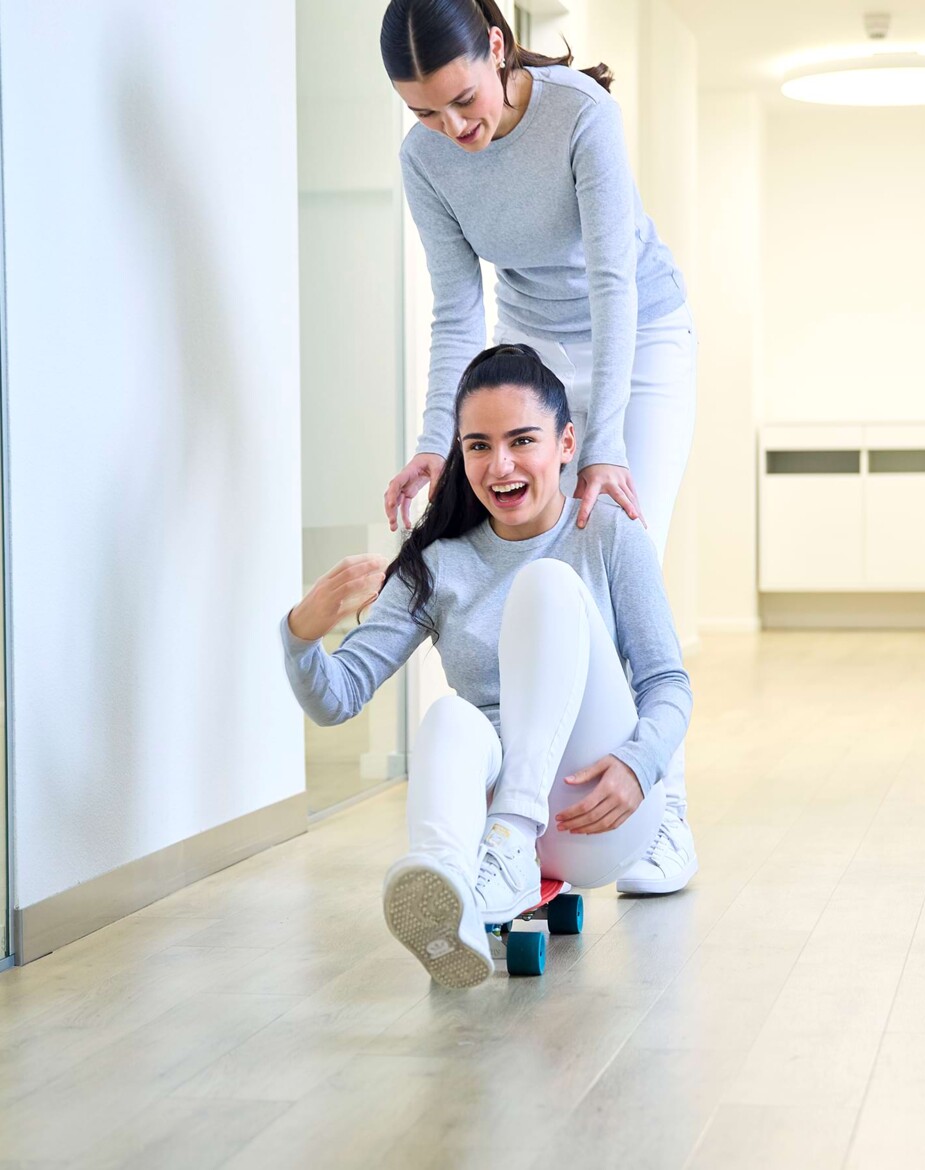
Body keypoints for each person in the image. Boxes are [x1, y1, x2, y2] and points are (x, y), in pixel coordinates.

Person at [378, 0, 698, 894]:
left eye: (463, 100)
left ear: (496, 46)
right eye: (424, 113)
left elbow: (611, 281)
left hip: (642, 337)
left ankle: (665, 813)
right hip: (536, 350)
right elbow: (456, 309)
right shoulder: (424, 160)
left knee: (625, 555)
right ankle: (532, 823)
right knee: (542, 577)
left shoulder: (579, 115)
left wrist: (604, 447)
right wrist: (435, 443)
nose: (454, 128)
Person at [281, 345, 692, 988]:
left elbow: (667, 682)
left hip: (596, 809)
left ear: (566, 443)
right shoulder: (438, 564)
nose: (499, 466)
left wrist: (640, 765)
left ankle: (507, 839)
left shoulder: (607, 533)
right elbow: (338, 699)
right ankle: (452, 893)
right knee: (450, 716)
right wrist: (301, 633)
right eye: (478, 446)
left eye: (522, 440)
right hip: (502, 840)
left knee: (546, 585)